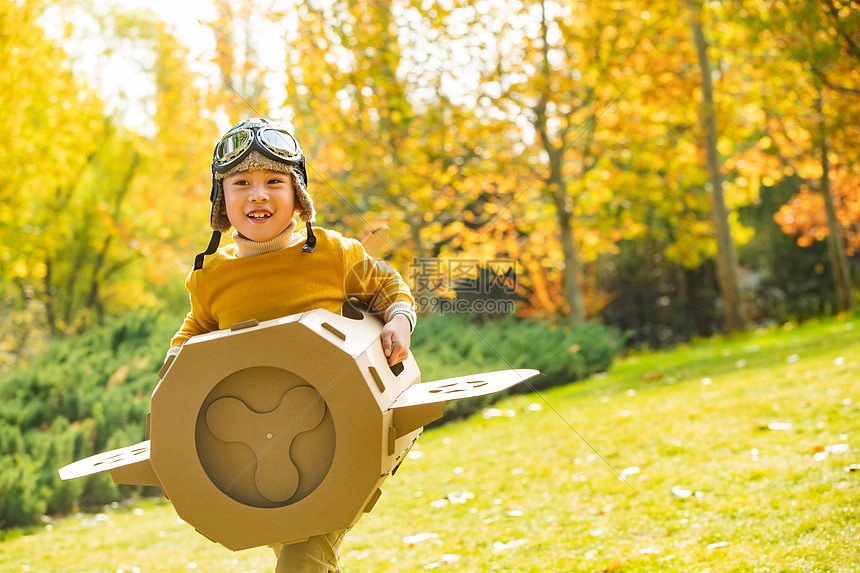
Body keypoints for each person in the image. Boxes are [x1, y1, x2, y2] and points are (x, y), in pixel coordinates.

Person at [168, 117, 417, 572]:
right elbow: (196, 326)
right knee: (299, 549)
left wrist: (399, 320)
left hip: (340, 436)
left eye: (274, 181)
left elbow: (387, 286)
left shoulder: (332, 254)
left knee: (303, 557)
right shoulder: (211, 275)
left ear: (298, 197)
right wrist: (175, 360)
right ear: (223, 200)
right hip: (255, 449)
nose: (258, 194)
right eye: (241, 182)